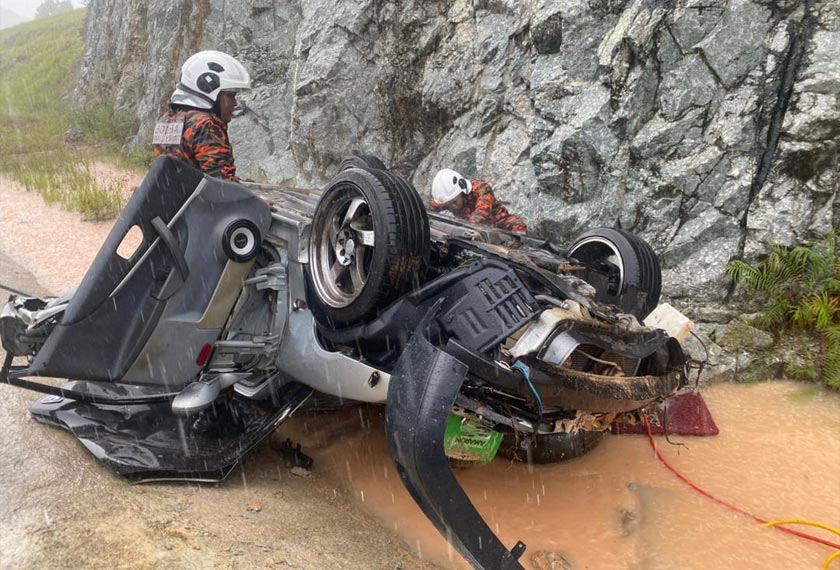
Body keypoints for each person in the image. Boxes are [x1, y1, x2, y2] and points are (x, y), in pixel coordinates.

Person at [153, 50, 251, 182]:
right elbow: (221, 185)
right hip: (199, 201)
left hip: (174, 200)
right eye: (230, 96)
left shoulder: (167, 120)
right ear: (209, 90)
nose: (234, 103)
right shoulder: (206, 126)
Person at [428, 168, 527, 233]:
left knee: (518, 225)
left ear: (462, 191)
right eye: (448, 205)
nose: (452, 206)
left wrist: (465, 229)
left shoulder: (481, 188)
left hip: (499, 223)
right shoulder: (447, 198)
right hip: (473, 230)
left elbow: (481, 212)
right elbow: (427, 210)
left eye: (454, 201)